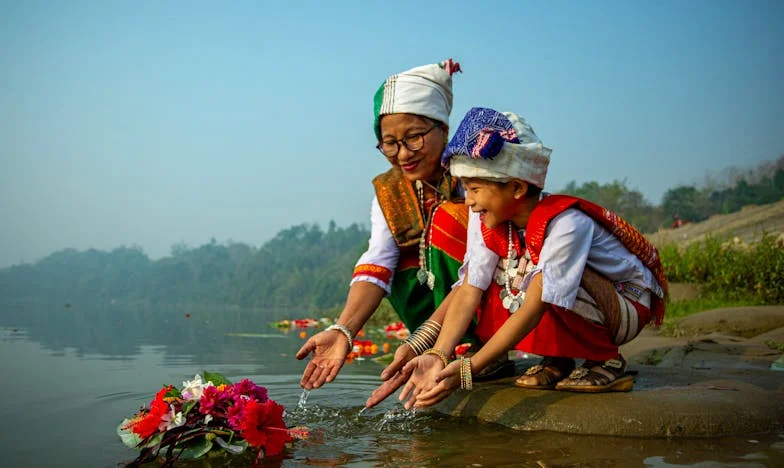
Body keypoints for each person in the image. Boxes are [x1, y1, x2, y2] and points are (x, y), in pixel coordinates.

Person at [397, 107, 667, 409]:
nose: (468, 201)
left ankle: (606, 361)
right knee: (498, 271)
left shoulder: (566, 224)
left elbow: (538, 302)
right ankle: (559, 360)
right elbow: (471, 288)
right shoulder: (489, 219)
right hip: (562, 297)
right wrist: (438, 354)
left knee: (541, 278)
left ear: (516, 187)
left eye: (474, 189)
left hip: (622, 304)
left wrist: (466, 371)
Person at [296, 59, 476, 395]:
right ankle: (446, 348)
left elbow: (481, 265)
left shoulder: (474, 175)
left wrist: (424, 341)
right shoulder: (390, 190)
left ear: (444, 130)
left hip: (486, 291)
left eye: (414, 138)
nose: (402, 154)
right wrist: (344, 330)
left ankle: (471, 347)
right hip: (437, 316)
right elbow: (378, 260)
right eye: (389, 143)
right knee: (399, 264)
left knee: (448, 220)